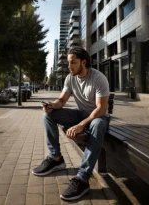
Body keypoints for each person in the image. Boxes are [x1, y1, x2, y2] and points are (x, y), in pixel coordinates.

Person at [32, 46, 110, 201]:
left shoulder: (98, 78)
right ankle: (56, 159)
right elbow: (62, 100)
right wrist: (51, 105)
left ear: (83, 62)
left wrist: (81, 124)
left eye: (73, 62)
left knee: (98, 125)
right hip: (80, 113)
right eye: (69, 62)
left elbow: (101, 108)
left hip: (98, 117)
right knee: (48, 116)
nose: (69, 66)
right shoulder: (70, 78)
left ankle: (82, 178)